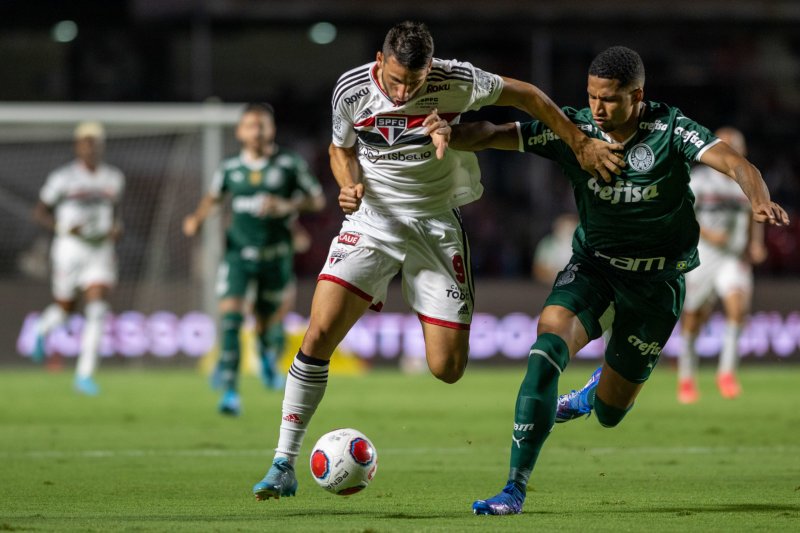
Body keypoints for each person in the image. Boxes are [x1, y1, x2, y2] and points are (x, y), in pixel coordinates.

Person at [251, 20, 625, 501]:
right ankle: (283, 462)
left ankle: (420, 305)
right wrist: (348, 184)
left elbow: (528, 95)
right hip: (372, 222)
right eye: (396, 80)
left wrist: (579, 141)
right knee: (319, 333)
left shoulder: (458, 80)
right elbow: (339, 150)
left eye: (416, 81)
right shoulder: (350, 89)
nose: (404, 92)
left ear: (430, 67)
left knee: (447, 368)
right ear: (380, 62)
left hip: (435, 227)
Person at [448, 45, 789, 515]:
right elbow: (494, 133)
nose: (597, 108)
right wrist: (442, 131)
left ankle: (593, 394)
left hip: (657, 284)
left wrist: (758, 198)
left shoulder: (670, 129)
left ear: (637, 96)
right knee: (545, 350)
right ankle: (513, 489)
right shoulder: (575, 131)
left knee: (610, 413)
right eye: (592, 96)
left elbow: (736, 164)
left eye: (608, 98)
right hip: (596, 269)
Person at [183, 103, 325, 416]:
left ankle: (266, 354)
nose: (256, 132)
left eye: (262, 125)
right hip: (238, 255)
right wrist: (197, 219)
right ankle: (230, 392)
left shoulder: (289, 164)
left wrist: (286, 206)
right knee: (231, 319)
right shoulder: (230, 168)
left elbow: (317, 200)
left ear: (271, 129)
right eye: (250, 125)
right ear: (240, 132)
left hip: (275, 256)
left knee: (266, 323)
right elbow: (214, 197)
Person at [32, 121, 125, 396]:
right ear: (77, 146)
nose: (91, 147)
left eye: (95, 142)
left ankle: (84, 375)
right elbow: (39, 212)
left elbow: (116, 214)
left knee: (97, 309)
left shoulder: (114, 178)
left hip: (100, 249)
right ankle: (42, 327)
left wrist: (117, 228)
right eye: (86, 142)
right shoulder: (62, 178)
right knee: (65, 309)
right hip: (70, 249)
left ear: (102, 146)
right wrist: (62, 227)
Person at [677, 127, 767, 403]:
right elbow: (682, 215)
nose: (731, 150)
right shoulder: (699, 180)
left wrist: (755, 243)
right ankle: (687, 377)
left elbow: (754, 213)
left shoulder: (747, 180)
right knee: (694, 317)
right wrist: (708, 234)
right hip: (703, 256)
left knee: (738, 309)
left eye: (736, 145)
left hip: (732, 257)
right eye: (726, 145)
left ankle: (726, 373)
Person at [532, 212, 578, 285]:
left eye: (571, 228)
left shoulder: (583, 245)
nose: (567, 231)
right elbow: (538, 269)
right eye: (564, 228)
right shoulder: (547, 244)